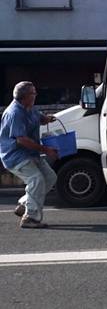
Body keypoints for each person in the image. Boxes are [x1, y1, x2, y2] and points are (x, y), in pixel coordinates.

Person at [0, 81, 58, 229]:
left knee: (50, 178)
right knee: (36, 179)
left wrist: (46, 119)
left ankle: (24, 203)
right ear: (25, 96)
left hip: (31, 153)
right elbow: (22, 140)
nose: (35, 95)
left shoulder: (29, 108)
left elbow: (39, 118)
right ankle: (30, 217)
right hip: (15, 155)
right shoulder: (15, 113)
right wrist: (45, 149)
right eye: (33, 93)